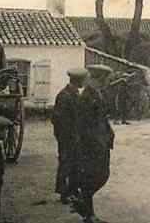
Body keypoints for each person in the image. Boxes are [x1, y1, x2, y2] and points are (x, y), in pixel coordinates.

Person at [75, 64, 115, 223]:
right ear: (97, 79)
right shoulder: (86, 97)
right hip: (92, 145)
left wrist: (109, 134)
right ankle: (87, 212)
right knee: (97, 176)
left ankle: (86, 211)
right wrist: (96, 142)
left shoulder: (96, 94)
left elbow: (102, 119)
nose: (106, 83)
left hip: (101, 142)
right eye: (104, 80)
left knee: (99, 175)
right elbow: (84, 125)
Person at [52, 67, 87, 205]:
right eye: (82, 80)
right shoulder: (64, 95)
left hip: (74, 135)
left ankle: (73, 190)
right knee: (65, 163)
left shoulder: (73, 93)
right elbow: (59, 119)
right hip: (66, 136)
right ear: (77, 80)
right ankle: (63, 193)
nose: (83, 83)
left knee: (76, 163)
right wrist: (69, 135)